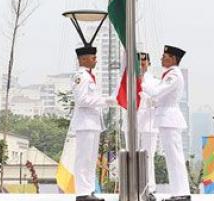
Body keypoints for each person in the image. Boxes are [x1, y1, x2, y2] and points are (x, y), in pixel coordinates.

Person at [141, 45, 190, 200]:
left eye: (165, 56)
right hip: (166, 117)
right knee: (172, 158)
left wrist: (141, 81)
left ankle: (181, 193)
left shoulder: (173, 75)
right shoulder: (168, 74)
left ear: (173, 59)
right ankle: (179, 192)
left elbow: (156, 92)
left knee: (175, 158)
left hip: (170, 118)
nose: (161, 58)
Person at [70, 46, 117, 201]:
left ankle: (89, 190)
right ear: (83, 59)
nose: (96, 60)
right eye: (93, 57)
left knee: (90, 160)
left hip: (93, 122)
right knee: (83, 159)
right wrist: (105, 101)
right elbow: (81, 100)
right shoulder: (81, 76)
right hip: (84, 123)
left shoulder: (90, 76)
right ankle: (82, 193)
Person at [122, 52, 158, 193]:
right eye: (139, 61)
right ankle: (132, 187)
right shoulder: (128, 80)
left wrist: (152, 101)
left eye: (144, 61)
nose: (142, 64)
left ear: (149, 63)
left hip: (149, 123)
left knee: (148, 155)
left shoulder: (155, 81)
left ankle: (150, 187)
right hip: (132, 122)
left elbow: (159, 99)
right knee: (131, 155)